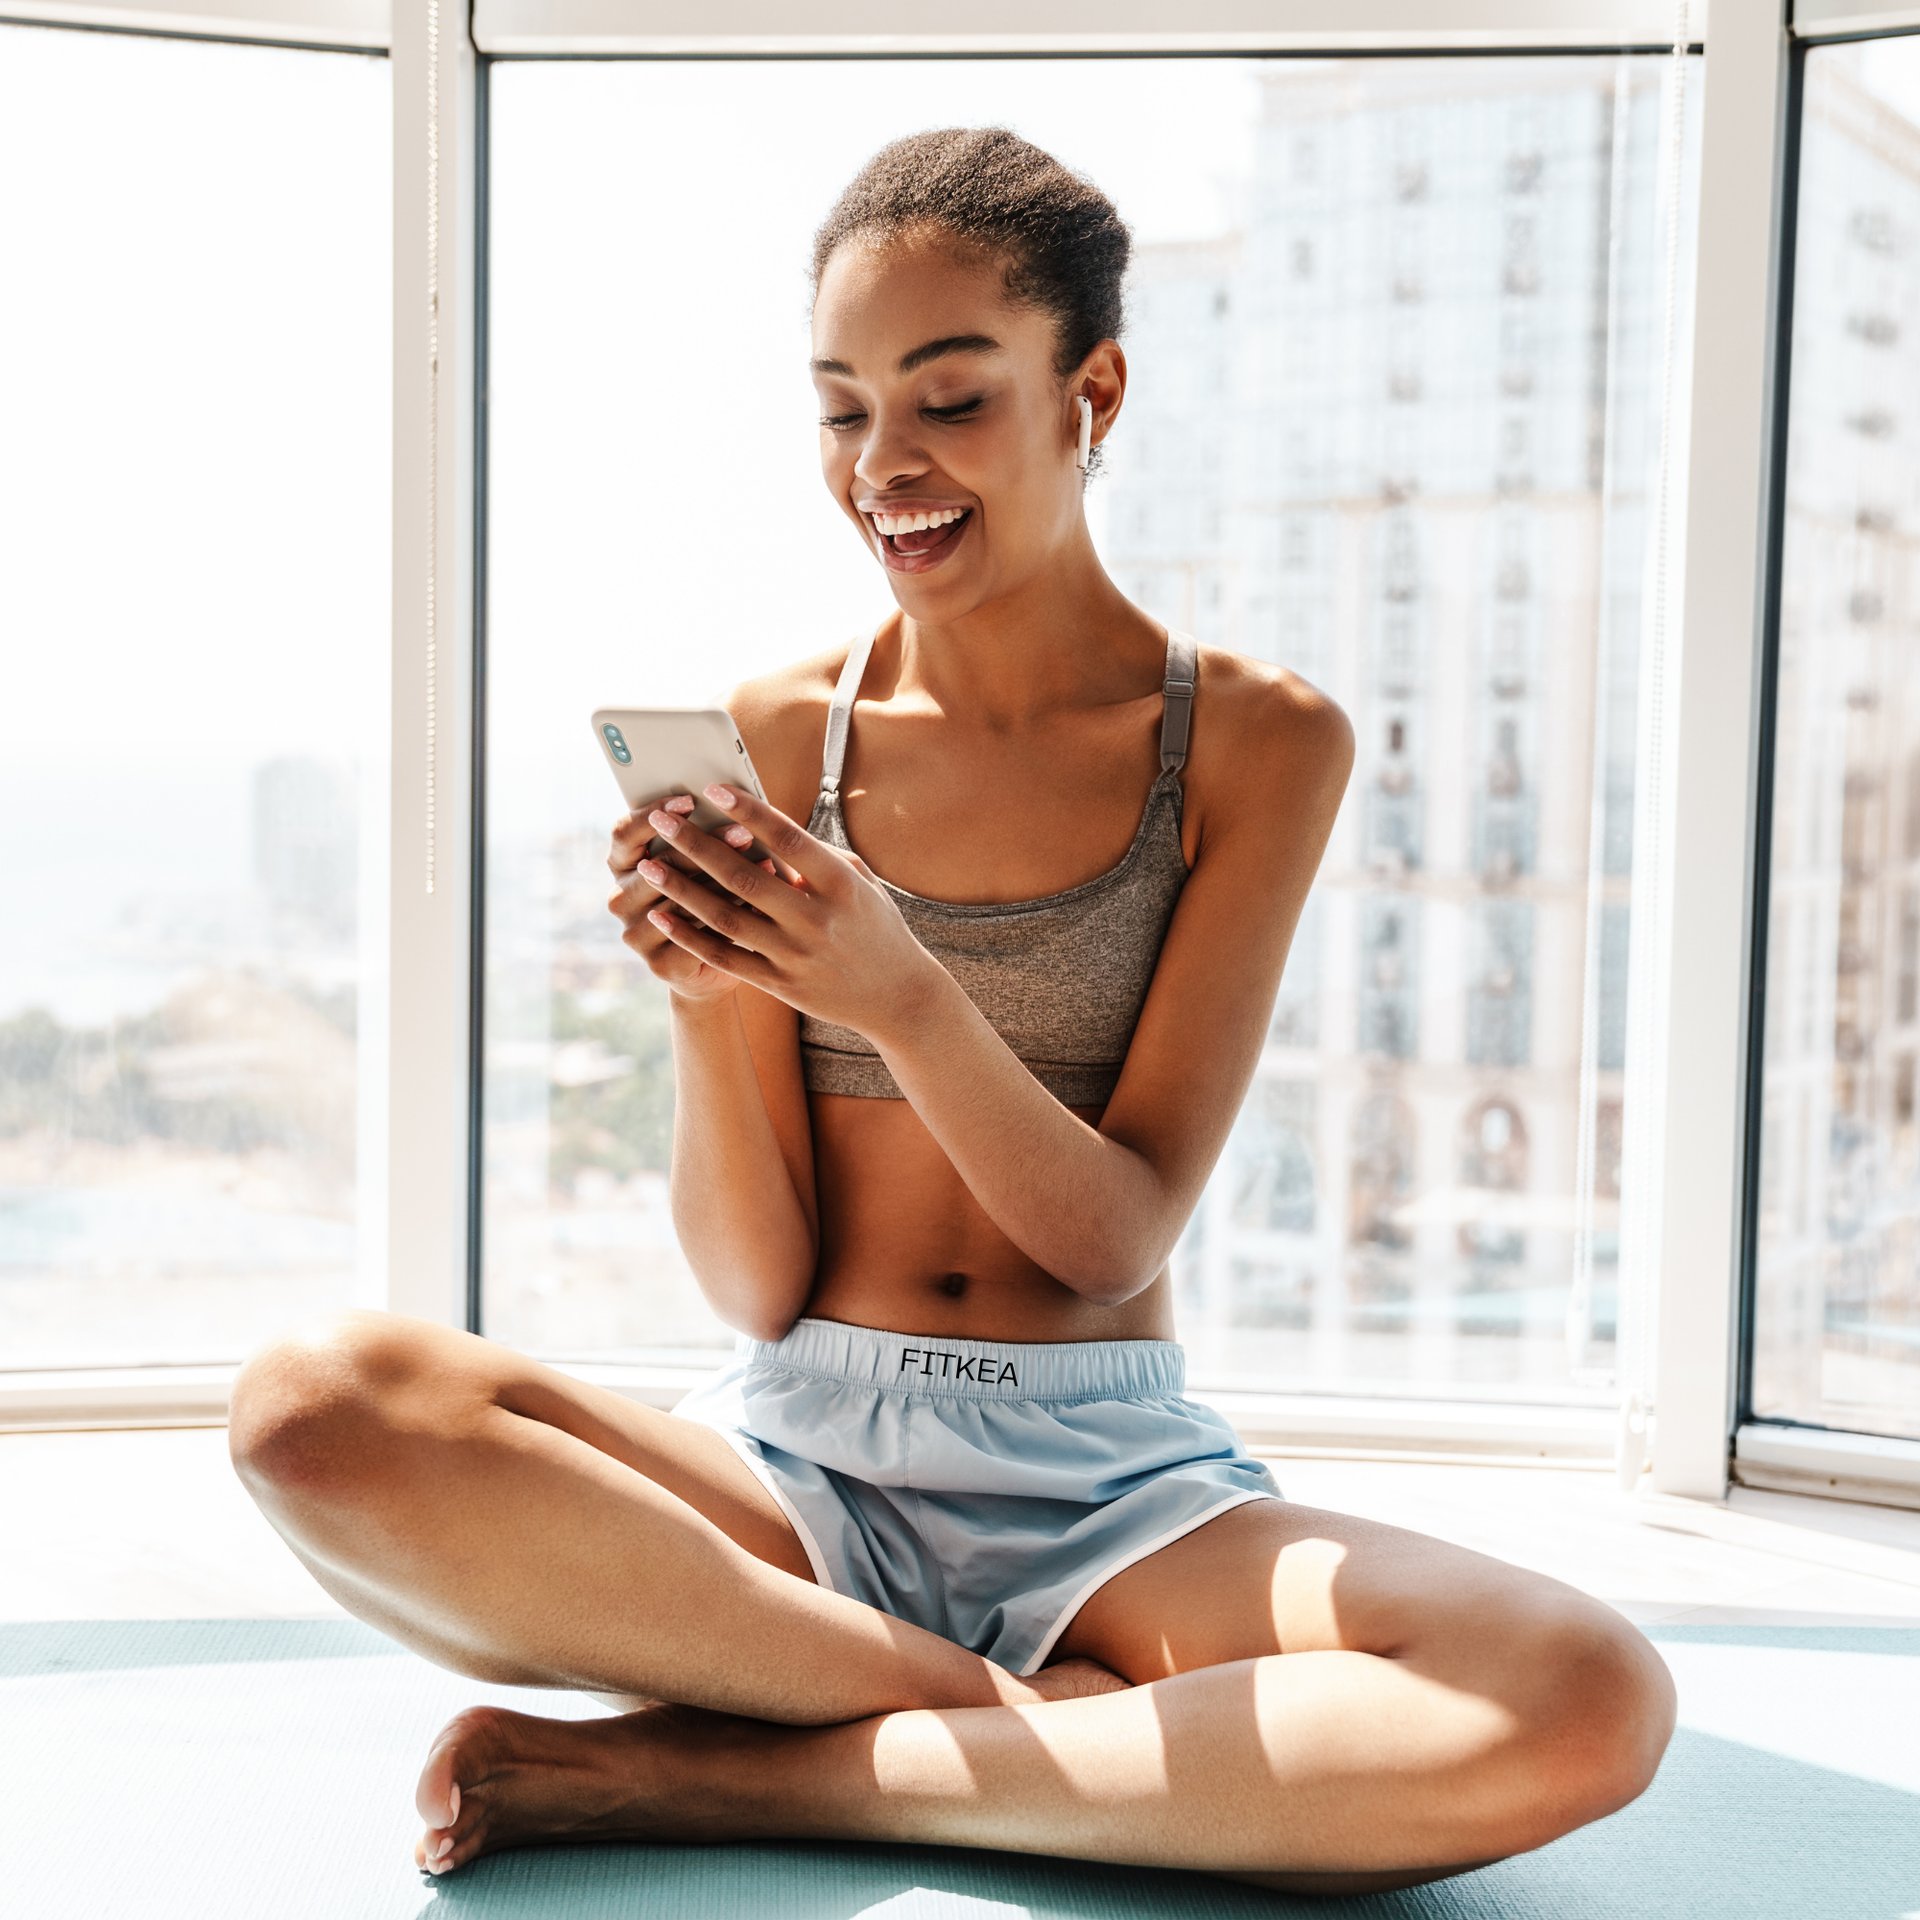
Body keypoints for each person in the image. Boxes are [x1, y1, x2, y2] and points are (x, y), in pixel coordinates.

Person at [226, 125, 1676, 1897]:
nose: (882, 463)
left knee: (1583, 1696)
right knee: (313, 1408)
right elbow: (758, 1288)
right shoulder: (774, 737)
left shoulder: (1255, 743)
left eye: (950, 398)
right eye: (841, 409)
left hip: (1116, 1489)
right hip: (797, 1468)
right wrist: (706, 1001)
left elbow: (1111, 1231)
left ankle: (758, 1772)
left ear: (1096, 389)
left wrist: (896, 993)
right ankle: (1001, 1725)